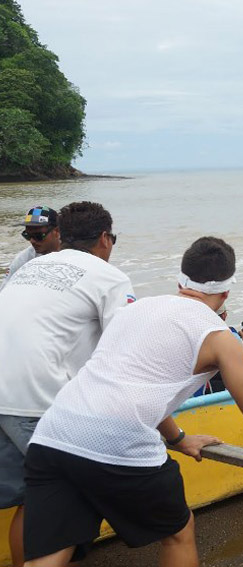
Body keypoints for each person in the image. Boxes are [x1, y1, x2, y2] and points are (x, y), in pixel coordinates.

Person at [22, 236, 243, 567]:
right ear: (226, 293)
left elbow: (131, 386)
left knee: (54, 550)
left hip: (53, 433)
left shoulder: (135, 309)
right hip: (118, 441)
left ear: (180, 281)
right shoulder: (219, 338)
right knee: (178, 530)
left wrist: (178, 438)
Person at [0, 201, 134, 567]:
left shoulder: (29, 266)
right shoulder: (110, 278)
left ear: (62, 235)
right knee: (66, 505)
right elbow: (124, 352)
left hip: (3, 398)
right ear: (105, 238)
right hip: (39, 403)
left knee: (31, 497)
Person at [201, 302, 243, 395]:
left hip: (198, 391)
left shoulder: (196, 335)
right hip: (216, 394)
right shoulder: (229, 335)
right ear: (224, 315)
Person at [0, 206, 61, 292]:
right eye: (27, 235)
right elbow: (4, 290)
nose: (32, 241)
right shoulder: (23, 259)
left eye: (38, 236)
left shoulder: (75, 253)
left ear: (57, 231)